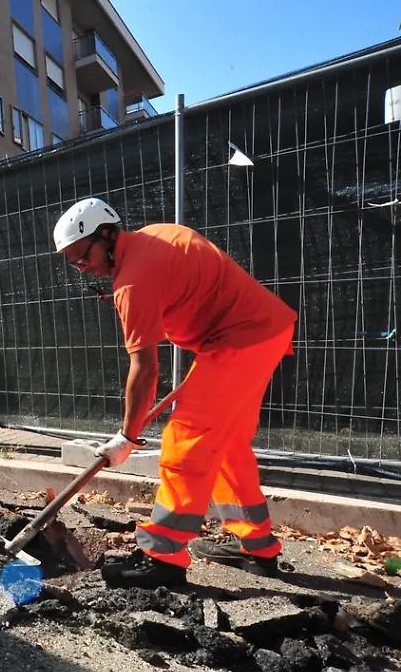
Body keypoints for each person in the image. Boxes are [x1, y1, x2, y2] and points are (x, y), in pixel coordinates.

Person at [52, 198, 297, 589]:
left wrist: (127, 436)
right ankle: (257, 546)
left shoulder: (133, 281)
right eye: (73, 262)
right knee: (227, 444)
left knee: (187, 439)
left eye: (83, 256)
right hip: (256, 331)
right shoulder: (156, 237)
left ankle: (162, 557)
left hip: (239, 338)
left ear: (108, 234)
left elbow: (146, 369)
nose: (81, 267)